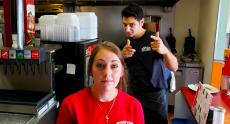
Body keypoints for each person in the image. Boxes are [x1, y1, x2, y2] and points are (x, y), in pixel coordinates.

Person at [56, 41, 144, 124]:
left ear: (121, 71)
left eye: (114, 66)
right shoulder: (70, 106)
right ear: (90, 70)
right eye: (100, 65)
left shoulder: (134, 107)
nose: (107, 73)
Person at [121, 3, 178, 124]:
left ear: (141, 22)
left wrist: (165, 51)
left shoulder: (155, 39)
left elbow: (174, 67)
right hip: (133, 95)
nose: (127, 29)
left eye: (132, 25)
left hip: (154, 96)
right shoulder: (125, 45)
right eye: (124, 25)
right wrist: (121, 56)